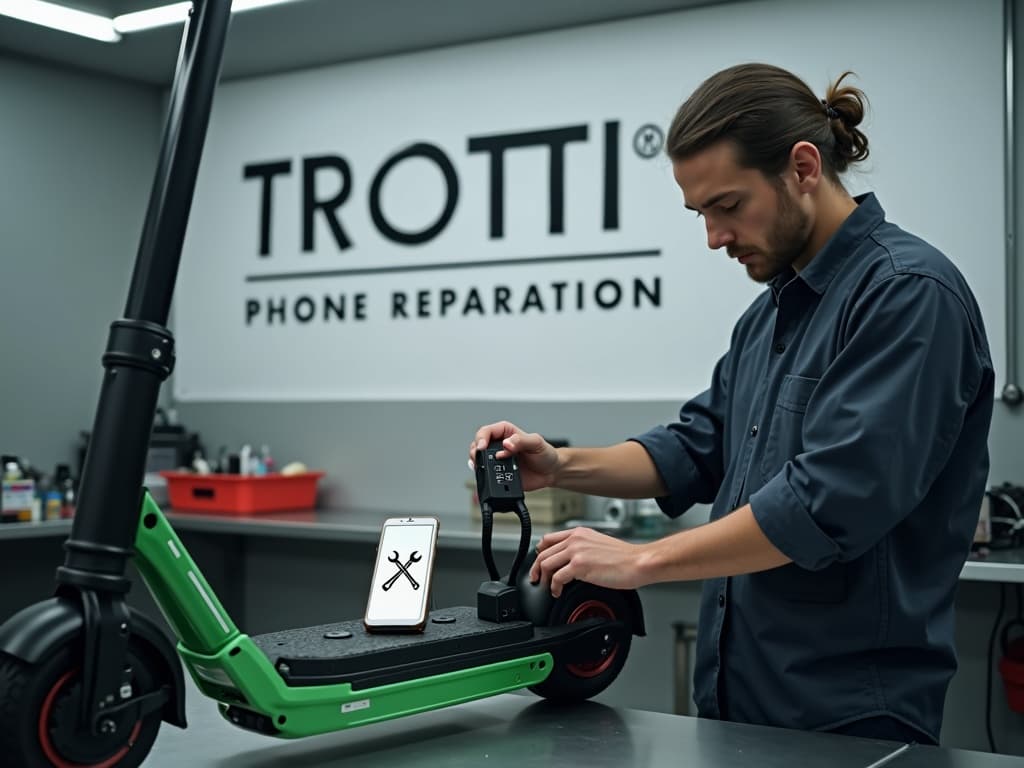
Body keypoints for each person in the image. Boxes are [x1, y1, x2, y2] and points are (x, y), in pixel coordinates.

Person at [469, 63, 994, 745]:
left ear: (803, 167)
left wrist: (643, 561)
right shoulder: (768, 315)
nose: (715, 237)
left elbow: (826, 503)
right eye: (701, 214)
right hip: (735, 698)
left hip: (850, 713)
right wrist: (560, 465)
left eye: (728, 205)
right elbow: (694, 447)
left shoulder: (908, 295)